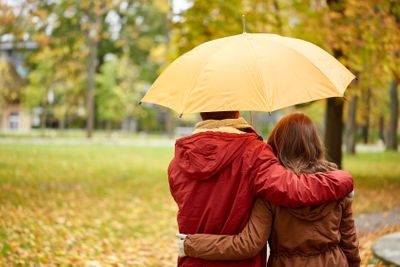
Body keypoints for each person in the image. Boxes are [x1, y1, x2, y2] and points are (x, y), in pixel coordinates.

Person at [168, 111, 354, 267]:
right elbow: (295, 189)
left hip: (192, 261)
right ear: (236, 111)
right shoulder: (255, 155)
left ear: (201, 113)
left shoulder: (177, 163)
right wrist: (343, 179)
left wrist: (190, 245)